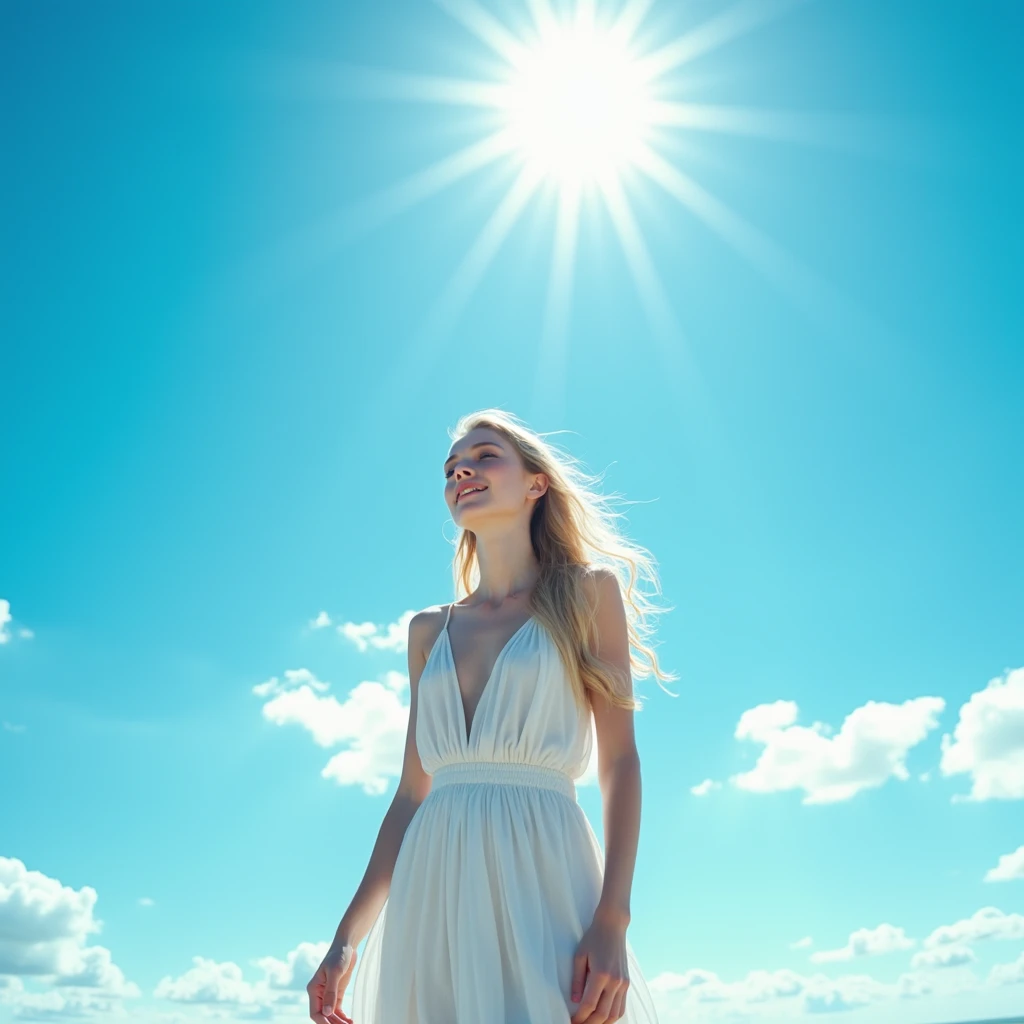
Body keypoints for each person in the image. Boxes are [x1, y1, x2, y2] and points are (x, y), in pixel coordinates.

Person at [307, 408, 675, 1023]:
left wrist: (613, 917)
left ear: (537, 483)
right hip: (435, 890)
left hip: (546, 872)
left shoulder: (588, 595)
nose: (462, 471)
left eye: (484, 456)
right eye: (452, 468)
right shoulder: (429, 629)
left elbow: (619, 762)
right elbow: (409, 796)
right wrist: (347, 939)